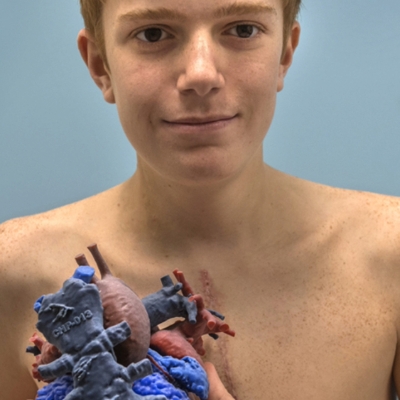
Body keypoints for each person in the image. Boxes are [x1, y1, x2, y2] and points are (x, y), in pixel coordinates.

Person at [1, 0, 400, 399]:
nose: (201, 74)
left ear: (285, 53)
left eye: (243, 30)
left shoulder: (389, 255)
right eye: (153, 34)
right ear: (101, 65)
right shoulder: (12, 270)